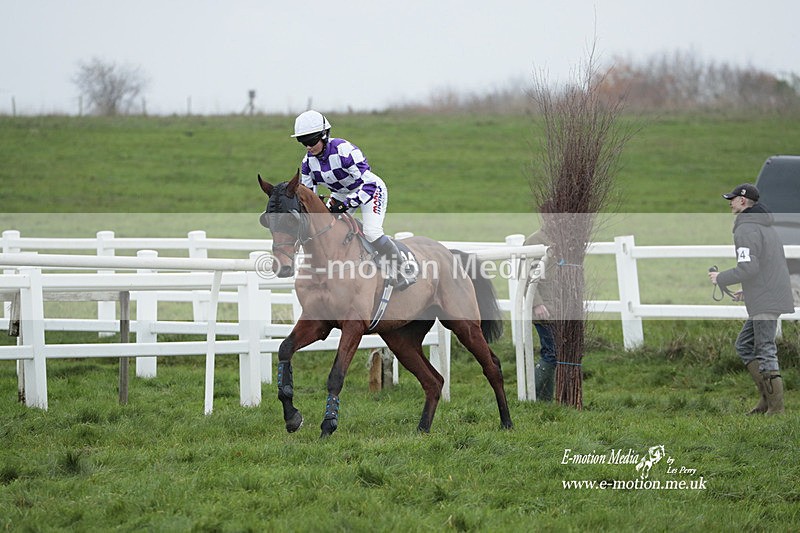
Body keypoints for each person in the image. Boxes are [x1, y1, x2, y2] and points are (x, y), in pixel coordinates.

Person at [291, 110, 414, 290]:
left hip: (370, 190)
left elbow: (369, 183)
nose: (308, 147)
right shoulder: (307, 163)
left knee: (372, 231)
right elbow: (310, 196)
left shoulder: (345, 150)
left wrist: (347, 203)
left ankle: (404, 269)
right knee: (329, 230)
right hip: (341, 194)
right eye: (303, 142)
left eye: (311, 141)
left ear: (324, 136)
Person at [708, 183, 794, 415]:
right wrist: (748, 290)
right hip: (767, 294)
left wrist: (721, 278)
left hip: (766, 298)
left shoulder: (746, 229)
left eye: (733, 198)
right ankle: (766, 401)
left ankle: (776, 410)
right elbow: (765, 266)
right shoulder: (764, 226)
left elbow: (749, 268)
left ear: (743, 201)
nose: (730, 202)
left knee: (765, 348)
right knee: (744, 345)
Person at [524, 222, 558, 402]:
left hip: (561, 306)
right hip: (544, 307)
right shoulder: (535, 241)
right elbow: (526, 275)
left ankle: (545, 401)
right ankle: (532, 396)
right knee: (552, 352)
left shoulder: (562, 238)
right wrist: (537, 304)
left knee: (554, 353)